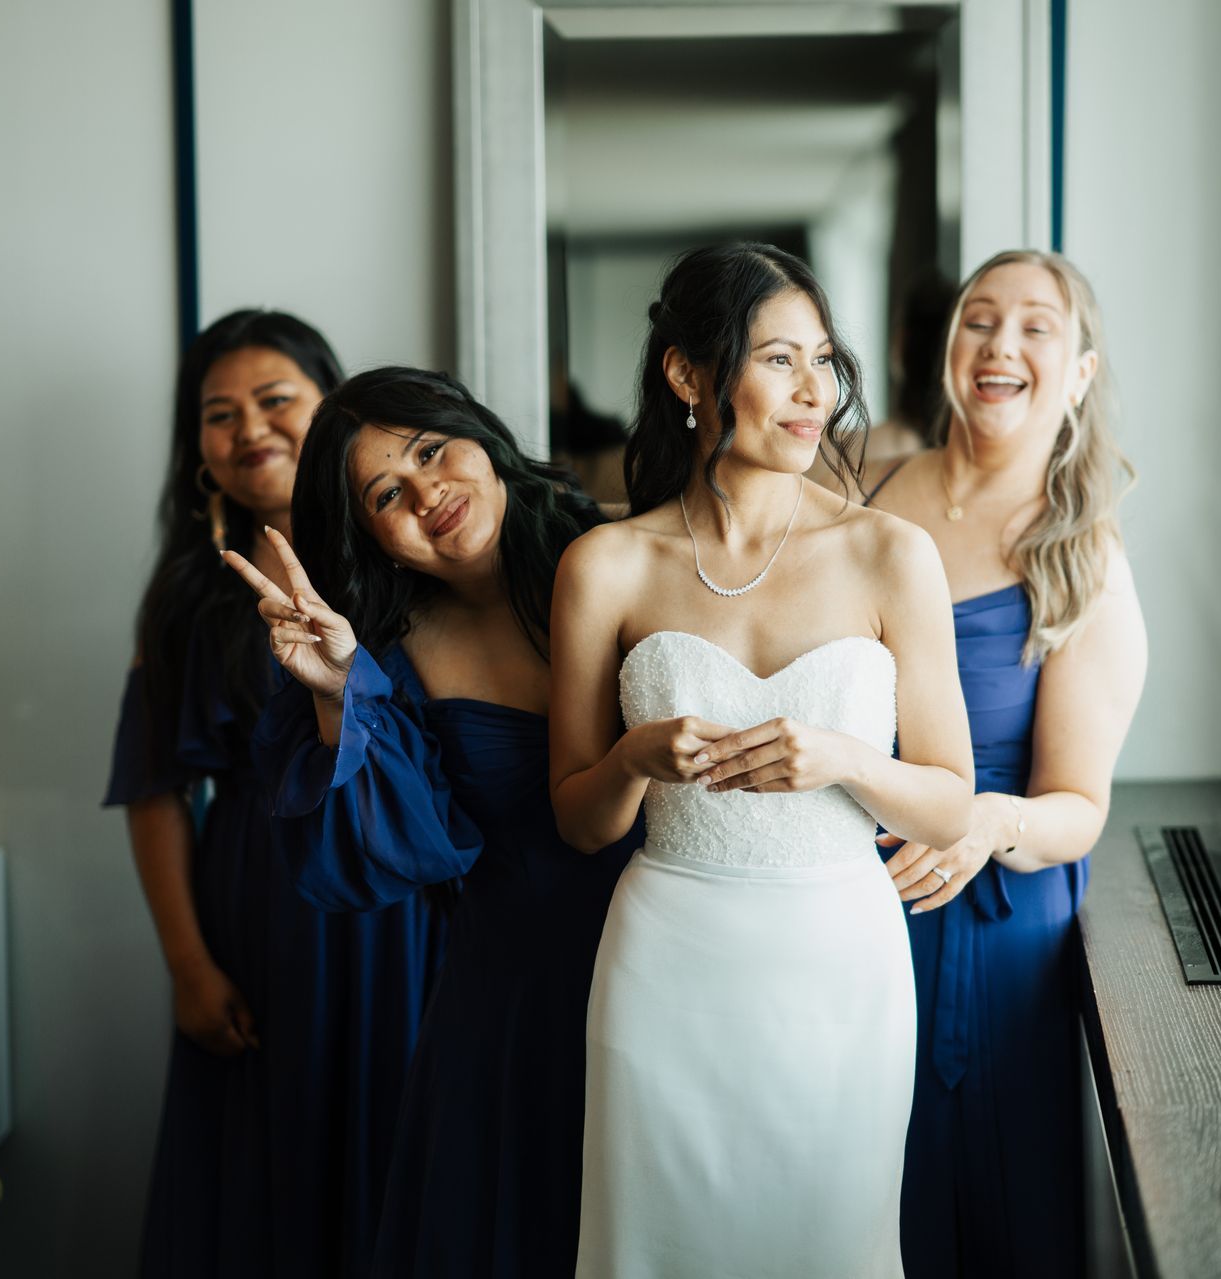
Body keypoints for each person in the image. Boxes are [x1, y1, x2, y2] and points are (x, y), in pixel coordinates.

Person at [547, 242, 975, 1277]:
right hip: (667, 963)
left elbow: (951, 805)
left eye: (822, 361)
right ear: (689, 375)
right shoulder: (604, 563)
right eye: (777, 359)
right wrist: (639, 756)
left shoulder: (890, 554)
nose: (811, 391)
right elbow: (577, 818)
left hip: (841, 963)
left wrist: (846, 760)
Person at [225, 366, 636, 1276]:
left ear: (478, 436)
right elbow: (393, 855)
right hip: (514, 1007)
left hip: (676, 964)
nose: (428, 493)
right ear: (371, 536)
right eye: (387, 493)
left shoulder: (621, 547)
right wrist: (343, 693)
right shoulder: (391, 652)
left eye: (430, 450)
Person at [104, 312, 443, 1277]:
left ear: (330, 411)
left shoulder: (407, 557)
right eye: (219, 413)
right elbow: (155, 791)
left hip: (404, 907)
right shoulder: (182, 598)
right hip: (256, 915)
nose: (249, 425)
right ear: (199, 451)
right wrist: (186, 965)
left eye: (275, 399)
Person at [864, 248, 1147, 1277]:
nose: (1001, 343)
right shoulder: (867, 488)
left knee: (980, 1213)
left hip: (982, 925)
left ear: (1076, 372)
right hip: (842, 902)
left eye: (1037, 325)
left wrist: (987, 820)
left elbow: (1077, 805)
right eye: (980, 319)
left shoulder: (1081, 557)